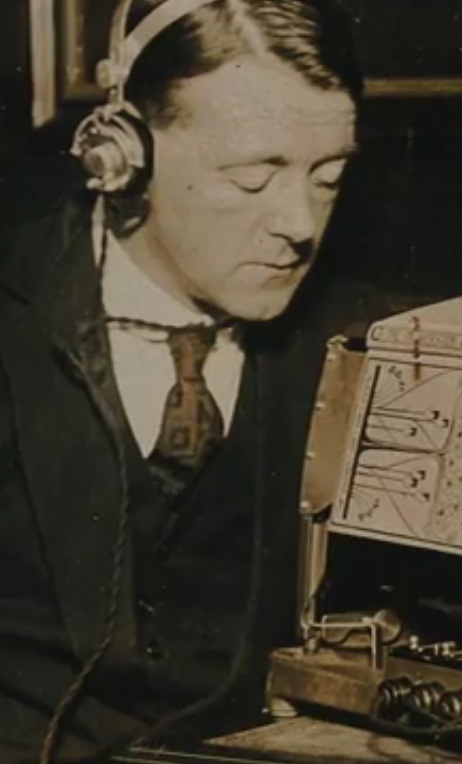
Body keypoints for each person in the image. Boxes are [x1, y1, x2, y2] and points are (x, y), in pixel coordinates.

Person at [0, 0, 387, 760]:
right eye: (252, 179)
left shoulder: (374, 342)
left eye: (329, 177)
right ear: (121, 157)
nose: (300, 223)